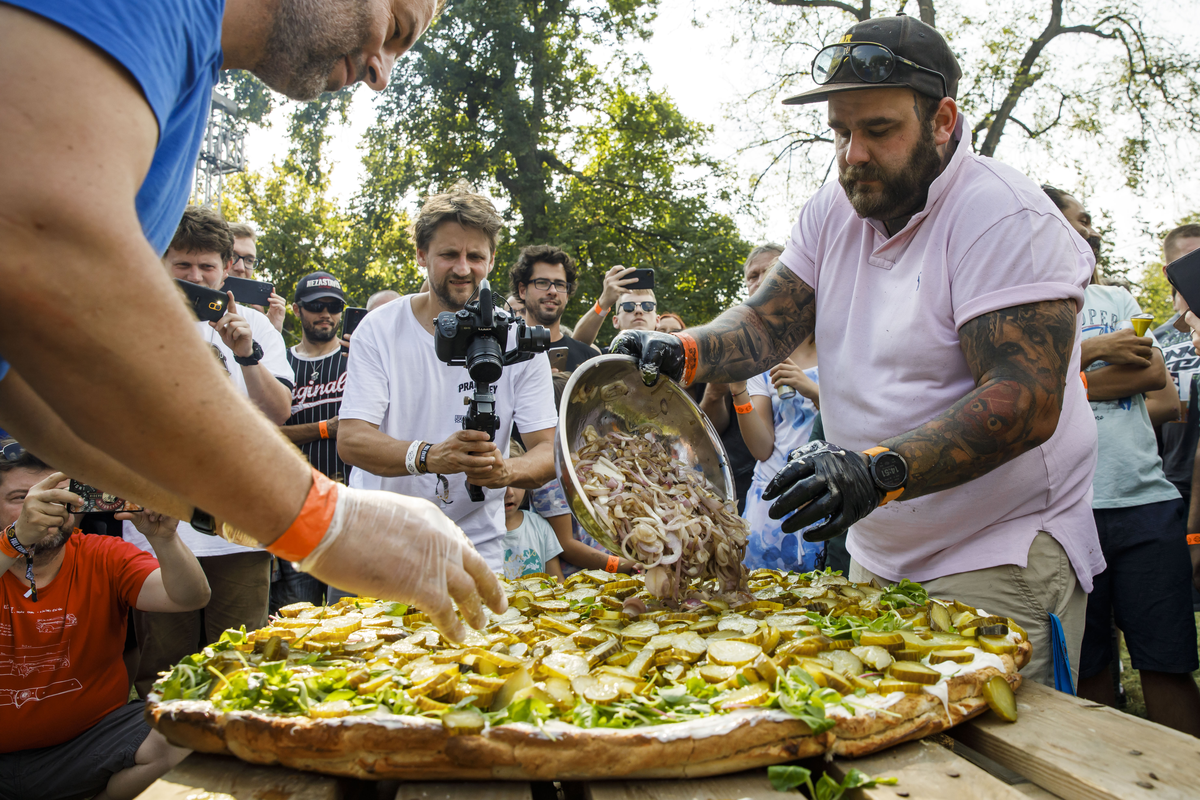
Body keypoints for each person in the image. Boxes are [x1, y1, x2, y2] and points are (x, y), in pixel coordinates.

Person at [613, 14, 1102, 688]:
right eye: (841, 132)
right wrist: (680, 352)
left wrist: (875, 473)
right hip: (876, 550)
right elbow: (766, 323)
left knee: (990, 778)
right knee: (877, 759)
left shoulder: (1004, 215)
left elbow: (1025, 399)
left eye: (878, 131)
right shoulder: (832, 210)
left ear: (942, 120)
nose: (853, 155)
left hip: (996, 553)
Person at [0, 0, 507, 642]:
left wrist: (224, 514)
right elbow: (41, 243)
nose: (382, 72)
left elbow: (35, 386)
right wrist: (326, 521)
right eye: (397, 30)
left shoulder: (188, 75)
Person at [337, 183, 559, 572]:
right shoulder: (380, 329)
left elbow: (548, 449)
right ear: (421, 255)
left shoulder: (519, 341)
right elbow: (353, 440)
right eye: (448, 254)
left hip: (477, 547)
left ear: (491, 261)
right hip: (381, 540)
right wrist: (430, 456)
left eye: (475, 255)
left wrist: (506, 471)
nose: (463, 268)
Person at [123, 208, 294, 696]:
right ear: (161, 264)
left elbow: (279, 412)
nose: (197, 278)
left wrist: (246, 354)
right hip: (160, 525)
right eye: (183, 267)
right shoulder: (132, 320)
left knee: (240, 664)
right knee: (163, 668)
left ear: (226, 270)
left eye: (207, 267)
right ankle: (160, 766)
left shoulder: (257, 326)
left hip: (239, 526)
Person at [0, 441, 210, 800]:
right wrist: (15, 540)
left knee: (189, 733)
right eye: (21, 498)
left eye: (60, 498)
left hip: (86, 744)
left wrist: (166, 540)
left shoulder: (102, 554)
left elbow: (189, 597)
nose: (46, 510)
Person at [1061, 195, 1200, 735]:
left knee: (1166, 665)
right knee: (1090, 670)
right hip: (1069, 515)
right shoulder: (1025, 310)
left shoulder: (1115, 295)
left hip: (1146, 503)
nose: (1092, 233)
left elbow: (1148, 376)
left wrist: (1062, 383)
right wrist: (1097, 351)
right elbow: (1018, 391)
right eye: (1081, 221)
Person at [274, 272, 353, 613]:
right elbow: (262, 432)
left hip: (350, 508)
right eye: (315, 306)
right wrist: (325, 428)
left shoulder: (357, 357)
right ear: (296, 310)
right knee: (297, 620)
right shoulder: (280, 362)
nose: (326, 314)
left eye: (334, 306)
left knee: (351, 620)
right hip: (296, 509)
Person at [698, 245, 784, 513]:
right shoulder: (729, 339)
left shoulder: (818, 336)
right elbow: (709, 429)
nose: (759, 281)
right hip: (745, 484)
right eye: (752, 276)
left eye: (768, 270)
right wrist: (716, 393)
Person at [528, 373, 639, 577]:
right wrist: (620, 565)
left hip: (613, 570)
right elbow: (566, 545)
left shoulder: (591, 461)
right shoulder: (552, 476)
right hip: (586, 579)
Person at [732, 334, 822, 572]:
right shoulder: (763, 362)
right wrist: (738, 391)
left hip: (824, 497)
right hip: (770, 501)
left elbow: (852, 427)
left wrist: (813, 391)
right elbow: (762, 449)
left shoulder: (839, 350)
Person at [509, 245, 601, 371]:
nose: (552, 291)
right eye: (542, 282)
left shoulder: (590, 360)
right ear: (522, 291)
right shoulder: (503, 353)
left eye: (559, 284)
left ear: (567, 294)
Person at [502, 442, 564, 581]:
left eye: (515, 482)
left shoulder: (540, 526)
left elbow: (557, 580)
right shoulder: (476, 532)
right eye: (500, 485)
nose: (509, 492)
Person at [228, 222, 286, 332]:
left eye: (249, 260)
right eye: (232, 256)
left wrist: (271, 330)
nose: (241, 268)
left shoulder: (254, 319)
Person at [571, 265, 647, 347]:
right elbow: (576, 347)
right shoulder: (605, 356)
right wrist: (604, 302)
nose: (638, 310)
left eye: (647, 306)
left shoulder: (663, 357)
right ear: (616, 321)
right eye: (628, 307)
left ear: (657, 320)